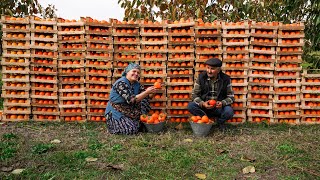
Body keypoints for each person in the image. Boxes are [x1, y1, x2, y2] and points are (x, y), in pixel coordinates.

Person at [105, 63, 156, 135]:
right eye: (134, 71)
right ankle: (113, 127)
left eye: (138, 73)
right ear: (127, 72)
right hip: (117, 112)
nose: (136, 74)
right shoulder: (121, 83)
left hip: (129, 112)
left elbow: (147, 96)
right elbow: (131, 100)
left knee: (144, 100)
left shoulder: (137, 84)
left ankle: (135, 122)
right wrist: (146, 92)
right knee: (130, 130)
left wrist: (152, 91)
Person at [188, 58, 235, 130]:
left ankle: (220, 122)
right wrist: (202, 103)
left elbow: (231, 97)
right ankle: (206, 120)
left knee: (229, 111)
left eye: (212, 69)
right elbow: (194, 94)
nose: (209, 71)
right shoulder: (201, 78)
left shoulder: (226, 79)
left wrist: (222, 103)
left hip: (218, 108)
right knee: (191, 106)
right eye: (207, 68)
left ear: (218, 70)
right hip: (205, 107)